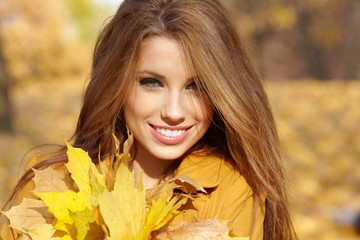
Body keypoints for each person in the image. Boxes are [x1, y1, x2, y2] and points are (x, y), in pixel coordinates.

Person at [0, 0, 296, 239]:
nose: (174, 111)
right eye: (152, 82)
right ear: (116, 82)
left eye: (197, 86)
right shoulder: (53, 181)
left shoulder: (233, 189)